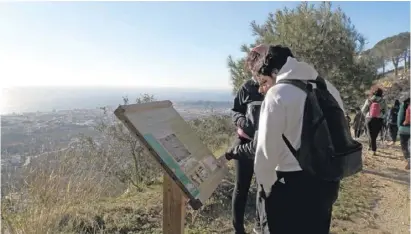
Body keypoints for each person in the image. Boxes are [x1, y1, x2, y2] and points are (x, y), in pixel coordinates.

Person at [239, 45, 344, 234]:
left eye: (264, 81)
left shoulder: (278, 94)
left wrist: (266, 190)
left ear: (275, 72)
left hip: (290, 187)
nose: (262, 89)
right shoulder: (328, 88)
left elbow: (265, 155)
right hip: (327, 181)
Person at [229, 45, 266, 234]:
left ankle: (259, 227)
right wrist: (242, 120)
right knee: (241, 188)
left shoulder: (274, 86)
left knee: (263, 188)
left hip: (266, 146)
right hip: (244, 142)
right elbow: (235, 110)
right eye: (253, 62)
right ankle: (238, 230)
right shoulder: (246, 87)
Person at [361, 87, 388, 155]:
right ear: (381, 93)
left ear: (372, 93)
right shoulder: (383, 101)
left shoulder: (369, 100)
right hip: (379, 119)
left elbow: (363, 110)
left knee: (370, 134)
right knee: (374, 135)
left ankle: (373, 149)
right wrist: (381, 116)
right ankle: (372, 148)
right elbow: (386, 112)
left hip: (369, 118)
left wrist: (367, 114)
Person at [397, 97, 410, 170]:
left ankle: (408, 159)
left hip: (404, 128)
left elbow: (400, 117)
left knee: (404, 145)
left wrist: (399, 127)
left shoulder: (404, 104)